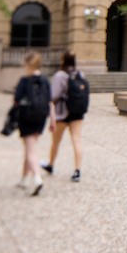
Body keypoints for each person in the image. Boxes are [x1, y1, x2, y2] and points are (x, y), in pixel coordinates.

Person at [13, 51, 55, 196]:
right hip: (41, 117)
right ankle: (24, 179)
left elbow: (17, 100)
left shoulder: (24, 80)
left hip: (27, 117)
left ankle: (37, 178)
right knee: (30, 147)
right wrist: (53, 120)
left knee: (30, 149)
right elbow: (50, 102)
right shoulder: (45, 80)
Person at [42, 51, 86, 183]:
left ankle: (50, 165)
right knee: (76, 140)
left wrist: (52, 116)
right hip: (77, 113)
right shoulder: (80, 74)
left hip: (62, 113)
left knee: (56, 142)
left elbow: (53, 96)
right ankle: (77, 170)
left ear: (63, 60)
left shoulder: (60, 75)